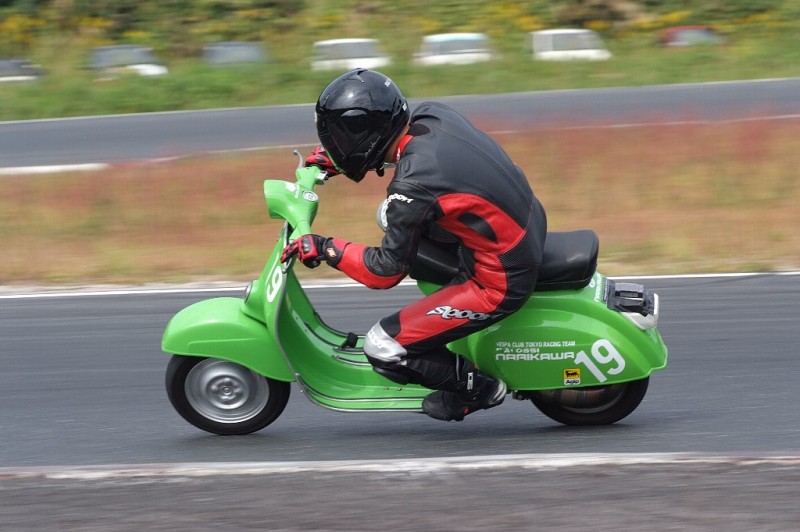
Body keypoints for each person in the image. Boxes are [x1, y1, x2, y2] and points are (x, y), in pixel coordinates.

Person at [281, 69, 547, 422]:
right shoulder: (433, 115)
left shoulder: (413, 185)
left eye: (343, 139)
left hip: (500, 276)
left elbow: (384, 272)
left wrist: (327, 248)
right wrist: (337, 161)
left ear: (367, 134)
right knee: (389, 215)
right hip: (516, 225)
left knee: (383, 346)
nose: (338, 146)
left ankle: (478, 389)